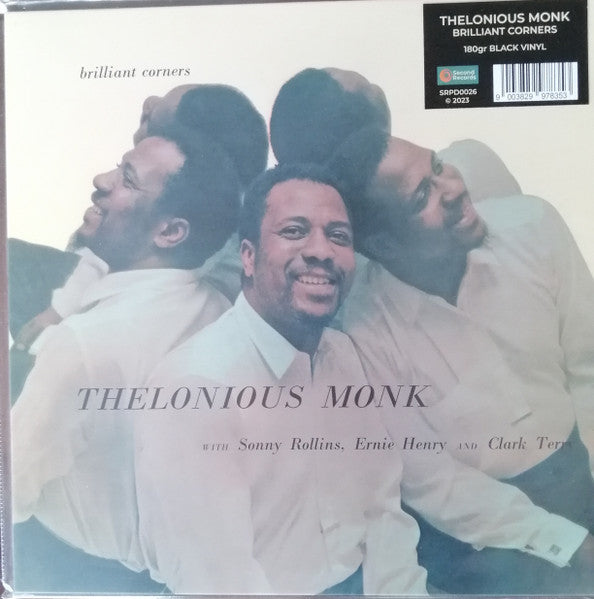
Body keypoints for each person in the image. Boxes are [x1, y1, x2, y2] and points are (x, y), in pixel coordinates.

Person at [132, 164, 429, 595]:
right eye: (294, 231)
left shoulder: (343, 356)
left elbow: (382, 513)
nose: (322, 251)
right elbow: (221, 584)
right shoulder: (194, 388)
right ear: (248, 257)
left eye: (338, 236)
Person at [329, 125, 594, 593]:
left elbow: (588, 369)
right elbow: (433, 481)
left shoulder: (534, 225)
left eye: (437, 165)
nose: (452, 187)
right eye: (422, 196)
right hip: (483, 538)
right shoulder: (363, 331)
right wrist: (569, 543)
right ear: (384, 246)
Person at [11, 128, 242, 592]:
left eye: (127, 180)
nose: (102, 180)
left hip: (73, 570)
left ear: (171, 232)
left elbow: (9, 494)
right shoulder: (223, 310)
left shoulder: (82, 346)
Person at [12, 83, 268, 351]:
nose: (149, 102)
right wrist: (60, 308)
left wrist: (63, 326)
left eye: (156, 123)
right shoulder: (190, 192)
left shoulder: (228, 257)